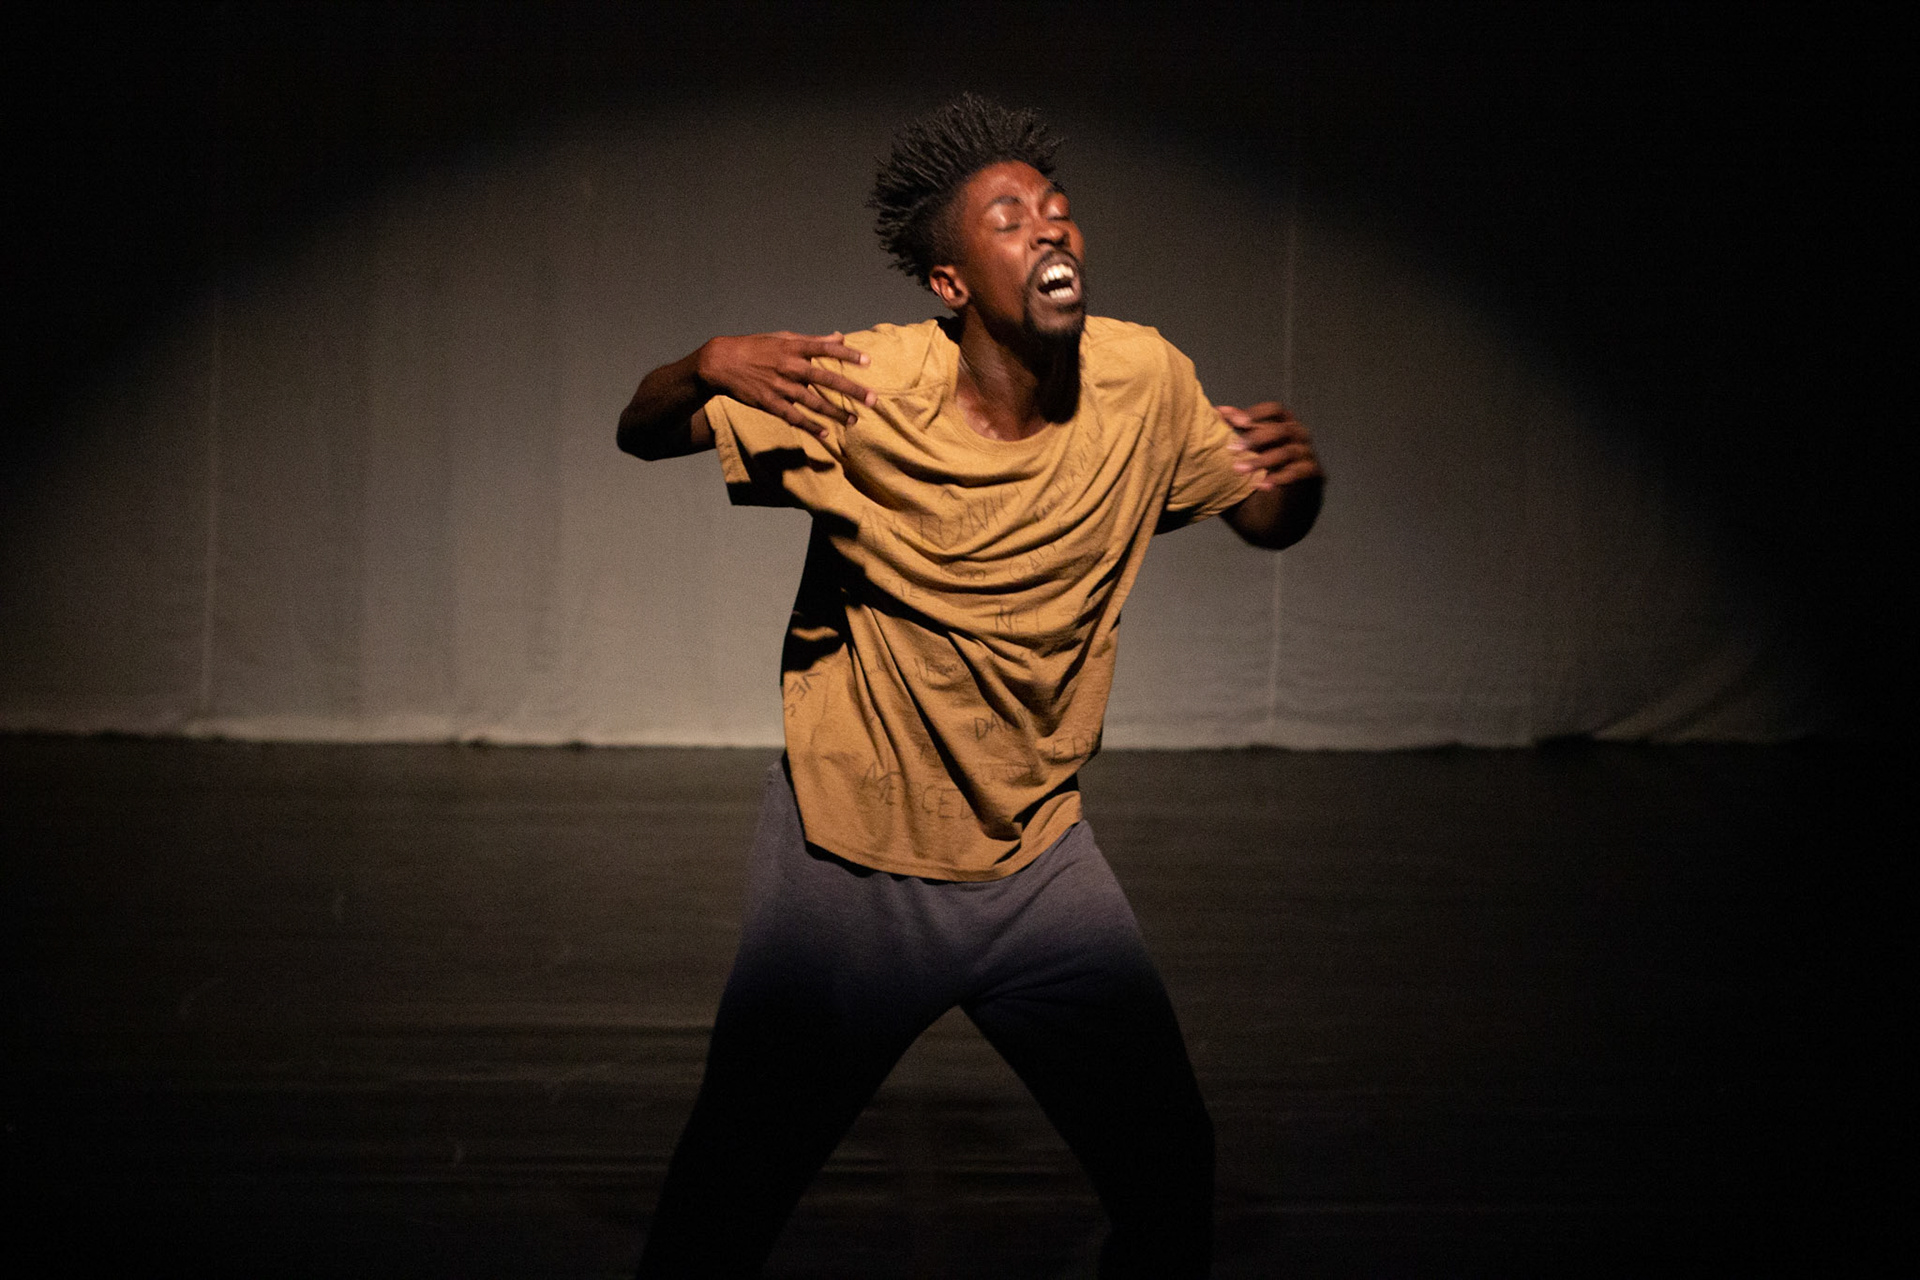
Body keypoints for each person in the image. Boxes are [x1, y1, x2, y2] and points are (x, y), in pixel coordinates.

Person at [616, 93, 1322, 1279]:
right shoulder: (864, 388)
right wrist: (702, 365)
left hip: (1037, 860)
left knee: (1169, 1168)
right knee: (724, 1200)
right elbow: (642, 430)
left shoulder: (1142, 380)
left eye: (1057, 208)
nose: (1049, 227)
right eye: (1009, 218)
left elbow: (1260, 513)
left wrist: (1294, 490)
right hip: (850, 869)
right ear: (950, 282)